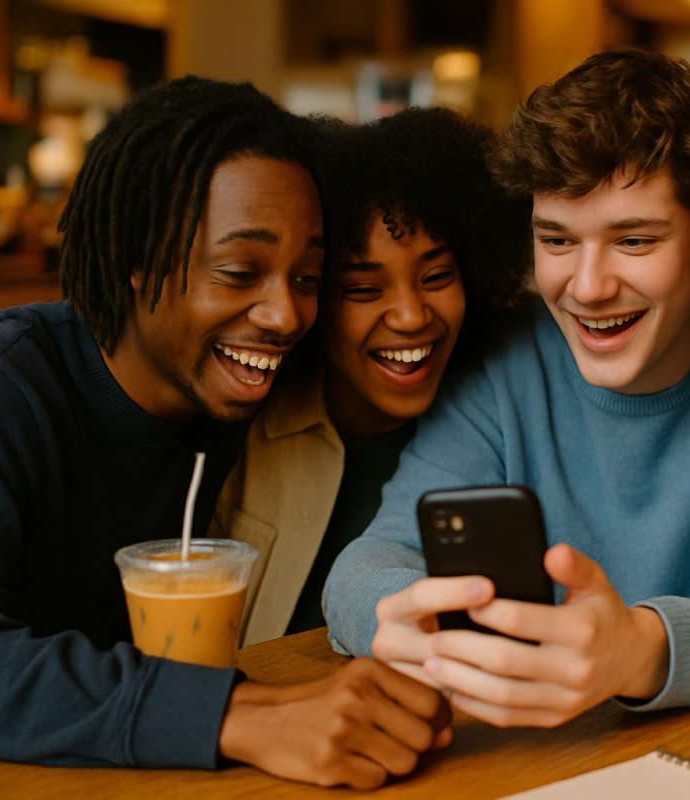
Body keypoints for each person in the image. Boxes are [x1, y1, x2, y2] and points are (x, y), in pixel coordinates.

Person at [0, 76, 450, 789]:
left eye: (307, 278)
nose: (284, 316)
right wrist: (239, 717)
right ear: (134, 257)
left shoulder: (253, 386)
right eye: (240, 272)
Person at [324, 48, 690, 728]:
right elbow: (368, 565)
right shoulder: (501, 357)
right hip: (529, 753)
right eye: (557, 241)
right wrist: (408, 624)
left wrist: (635, 651)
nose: (587, 288)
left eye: (634, 241)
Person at [210, 106, 530, 646]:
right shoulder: (244, 433)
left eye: (437, 276)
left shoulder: (498, 432)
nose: (410, 316)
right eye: (363, 289)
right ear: (311, 296)